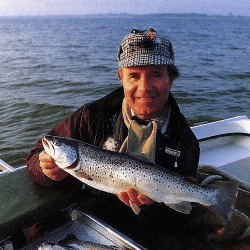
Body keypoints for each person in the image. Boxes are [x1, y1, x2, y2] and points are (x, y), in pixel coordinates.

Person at [27, 28, 201, 249]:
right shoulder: (92, 116)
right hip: (84, 220)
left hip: (139, 232)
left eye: (156, 74)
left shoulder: (186, 141)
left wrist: (150, 206)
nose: (144, 87)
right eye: (134, 75)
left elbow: (177, 216)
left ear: (171, 80)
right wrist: (46, 171)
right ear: (121, 77)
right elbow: (33, 157)